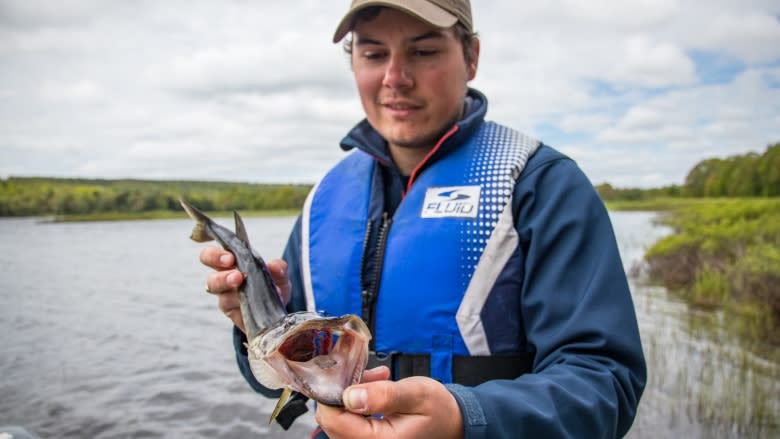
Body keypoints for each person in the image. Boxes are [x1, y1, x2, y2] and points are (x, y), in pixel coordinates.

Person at [200, 1, 647, 437]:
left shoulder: (542, 186)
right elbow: (276, 384)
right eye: (374, 54)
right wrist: (254, 329)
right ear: (353, 61)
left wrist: (465, 419)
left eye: (424, 51)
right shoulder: (324, 200)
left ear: (471, 56)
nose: (396, 78)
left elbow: (606, 382)